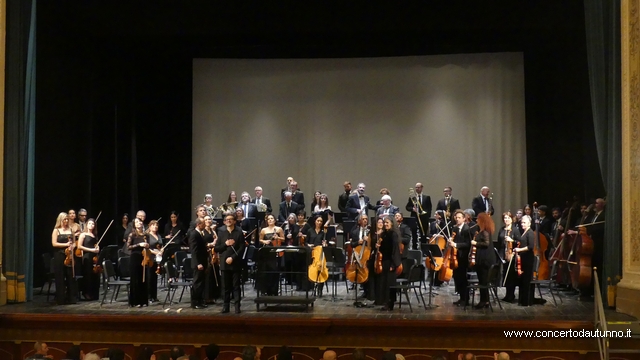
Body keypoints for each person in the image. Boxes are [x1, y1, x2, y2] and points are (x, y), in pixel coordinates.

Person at [215, 214, 245, 313]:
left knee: (236, 286)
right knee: (225, 286)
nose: (228, 221)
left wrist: (232, 257)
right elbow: (217, 248)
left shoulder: (239, 232)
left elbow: (242, 248)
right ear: (224, 222)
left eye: (230, 219)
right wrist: (226, 244)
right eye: (226, 220)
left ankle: (237, 307)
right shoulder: (221, 232)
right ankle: (226, 306)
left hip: (235, 262)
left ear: (234, 221)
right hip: (224, 263)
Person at [374, 216, 402, 310]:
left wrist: (393, 264)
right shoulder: (384, 234)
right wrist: (378, 246)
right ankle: (384, 301)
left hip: (390, 262)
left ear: (392, 224)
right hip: (384, 261)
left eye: (387, 223)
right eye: (384, 223)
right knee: (384, 283)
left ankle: (390, 303)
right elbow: (383, 249)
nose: (385, 224)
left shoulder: (393, 234)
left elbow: (395, 250)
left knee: (389, 284)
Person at [51, 212, 78, 305]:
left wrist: (72, 246)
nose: (66, 221)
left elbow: (74, 242)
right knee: (60, 276)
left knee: (70, 276)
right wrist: (65, 245)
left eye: (67, 219)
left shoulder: (71, 230)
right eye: (64, 219)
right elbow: (54, 243)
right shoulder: (56, 230)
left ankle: (71, 298)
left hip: (69, 255)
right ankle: (61, 299)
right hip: (59, 255)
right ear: (60, 220)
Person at [471, 213, 496, 309]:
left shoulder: (485, 231)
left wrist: (475, 243)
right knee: (483, 281)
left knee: (483, 281)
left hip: (484, 260)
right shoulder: (484, 231)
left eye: (478, 219)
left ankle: (483, 301)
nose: (476, 220)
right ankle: (485, 300)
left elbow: (486, 243)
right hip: (484, 259)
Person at [448, 210, 471, 306]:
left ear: (464, 219)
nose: (457, 219)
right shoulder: (455, 229)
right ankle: (461, 298)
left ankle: (465, 299)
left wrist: (456, 244)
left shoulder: (467, 229)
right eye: (456, 218)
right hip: (455, 257)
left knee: (463, 279)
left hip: (463, 257)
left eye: (459, 218)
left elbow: (467, 244)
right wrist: (450, 241)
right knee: (457, 278)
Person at [497, 212, 521, 302]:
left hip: (512, 255)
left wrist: (512, 240)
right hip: (503, 253)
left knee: (511, 275)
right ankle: (507, 294)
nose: (506, 220)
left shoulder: (515, 230)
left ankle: (511, 295)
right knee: (505, 275)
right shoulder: (502, 229)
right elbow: (499, 242)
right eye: (505, 218)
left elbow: (519, 241)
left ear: (511, 219)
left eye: (508, 218)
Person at [257, 214, 284, 296]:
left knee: (275, 271)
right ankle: (267, 290)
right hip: (266, 252)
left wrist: (277, 238)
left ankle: (274, 291)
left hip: (275, 251)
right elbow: (260, 240)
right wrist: (264, 242)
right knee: (267, 272)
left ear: (275, 220)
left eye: (272, 218)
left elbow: (283, 239)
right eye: (268, 219)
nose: (270, 220)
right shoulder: (263, 230)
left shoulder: (279, 229)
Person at [127, 218, 149, 307]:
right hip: (135, 258)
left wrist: (147, 245)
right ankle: (135, 301)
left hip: (143, 257)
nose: (139, 223)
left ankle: (143, 301)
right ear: (134, 225)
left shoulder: (145, 235)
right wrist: (139, 245)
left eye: (140, 221)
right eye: (137, 222)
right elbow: (128, 247)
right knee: (135, 279)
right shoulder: (132, 234)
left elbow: (148, 246)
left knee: (143, 279)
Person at [77, 218, 100, 300]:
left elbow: (95, 245)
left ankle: (94, 293)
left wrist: (97, 248)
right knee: (88, 276)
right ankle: (86, 293)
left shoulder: (94, 235)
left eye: (93, 224)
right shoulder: (83, 234)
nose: (91, 225)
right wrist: (91, 250)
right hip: (87, 256)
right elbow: (79, 246)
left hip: (94, 257)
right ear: (87, 224)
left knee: (94, 275)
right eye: (90, 223)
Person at [514, 215, 535, 306]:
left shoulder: (530, 232)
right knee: (522, 279)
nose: (522, 224)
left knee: (526, 279)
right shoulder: (524, 232)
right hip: (523, 258)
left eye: (524, 222)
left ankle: (526, 301)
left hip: (528, 258)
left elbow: (530, 247)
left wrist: (519, 250)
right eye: (522, 222)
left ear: (529, 223)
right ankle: (523, 300)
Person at [189, 218, 208, 309]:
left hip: (203, 262)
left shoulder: (200, 233)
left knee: (201, 283)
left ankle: (200, 301)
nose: (205, 225)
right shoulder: (194, 234)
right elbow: (194, 251)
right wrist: (198, 263)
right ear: (198, 224)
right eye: (203, 223)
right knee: (197, 283)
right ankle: (195, 302)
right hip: (198, 263)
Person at [146, 220, 163, 302]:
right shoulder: (147, 236)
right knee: (150, 277)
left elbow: (161, 245)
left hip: (157, 258)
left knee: (155, 277)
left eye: (156, 225)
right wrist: (154, 252)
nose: (155, 226)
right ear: (150, 226)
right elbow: (147, 248)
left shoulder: (158, 235)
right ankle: (149, 296)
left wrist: (162, 250)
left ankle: (154, 296)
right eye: (153, 225)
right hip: (150, 258)